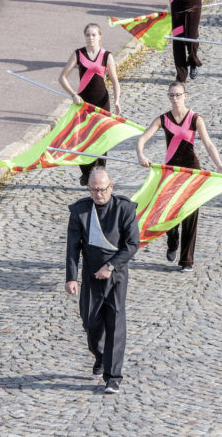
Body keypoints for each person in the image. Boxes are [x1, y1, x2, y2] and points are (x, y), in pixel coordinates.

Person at [135, 82, 222, 272]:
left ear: (185, 96)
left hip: (192, 172)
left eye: (178, 95)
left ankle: (187, 260)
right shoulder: (163, 119)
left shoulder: (195, 118)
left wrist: (219, 164)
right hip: (171, 172)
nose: (174, 99)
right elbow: (142, 139)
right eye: (171, 95)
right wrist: (141, 155)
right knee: (169, 211)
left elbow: (208, 144)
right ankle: (172, 240)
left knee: (190, 214)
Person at [65, 168, 140, 394]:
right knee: (90, 322)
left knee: (115, 325)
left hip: (115, 276)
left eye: (103, 189)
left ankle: (113, 376)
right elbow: (72, 248)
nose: (99, 194)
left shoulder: (125, 209)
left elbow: (132, 244)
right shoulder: (80, 211)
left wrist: (110, 266)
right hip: (90, 275)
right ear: (89, 189)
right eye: (94, 190)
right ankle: (100, 355)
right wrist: (71, 277)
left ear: (112, 187)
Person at [59, 23, 123, 186]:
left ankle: (100, 172)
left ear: (100, 36)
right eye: (88, 35)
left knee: (101, 137)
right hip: (83, 102)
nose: (90, 38)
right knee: (82, 137)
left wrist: (117, 100)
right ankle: (86, 172)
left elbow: (115, 81)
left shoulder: (106, 56)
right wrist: (73, 94)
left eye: (94, 35)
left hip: (102, 102)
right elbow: (62, 78)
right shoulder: (78, 54)